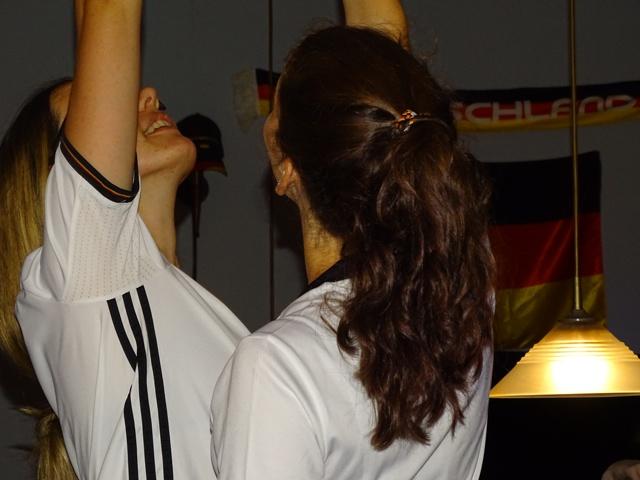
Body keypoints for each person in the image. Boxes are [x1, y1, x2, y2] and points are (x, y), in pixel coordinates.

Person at [210, 0, 495, 479]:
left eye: (273, 111)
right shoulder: (465, 304)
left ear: (286, 169)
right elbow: (396, 113)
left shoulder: (280, 366)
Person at [1, 1, 247, 478]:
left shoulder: (188, 309)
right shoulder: (85, 272)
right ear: (59, 190)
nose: (148, 93)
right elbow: (110, 11)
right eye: (96, 106)